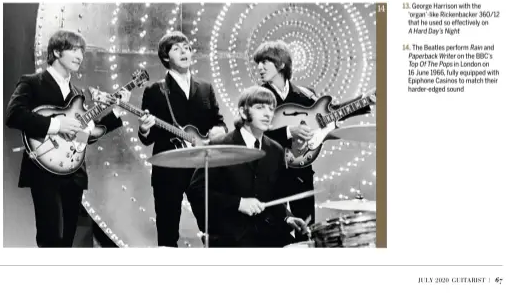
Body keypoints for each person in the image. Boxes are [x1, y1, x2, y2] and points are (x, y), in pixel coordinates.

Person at [5, 29, 125, 247]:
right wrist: (57, 125)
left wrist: (115, 112)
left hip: (73, 172)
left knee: (67, 240)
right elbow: (13, 115)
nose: (80, 55)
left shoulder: (77, 93)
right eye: (74, 49)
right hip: (43, 168)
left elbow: (84, 136)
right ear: (57, 52)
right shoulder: (33, 82)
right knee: (50, 238)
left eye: (82, 51)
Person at [255, 39, 371, 226]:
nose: (259, 67)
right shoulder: (257, 95)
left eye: (264, 62)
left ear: (281, 64)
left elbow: (331, 112)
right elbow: (253, 134)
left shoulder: (305, 94)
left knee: (307, 230)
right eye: (258, 63)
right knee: (273, 234)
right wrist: (288, 131)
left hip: (301, 173)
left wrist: (365, 101)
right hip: (269, 174)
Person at [188, 85, 307, 247]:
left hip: (267, 235)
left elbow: (275, 198)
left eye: (271, 109)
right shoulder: (220, 146)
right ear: (243, 112)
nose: (268, 114)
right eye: (260, 107)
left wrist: (287, 217)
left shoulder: (275, 150)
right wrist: (238, 203)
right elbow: (197, 191)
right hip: (230, 239)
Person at [137, 31, 227, 246]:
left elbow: (219, 121)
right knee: (168, 235)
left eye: (186, 47)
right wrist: (144, 129)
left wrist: (219, 129)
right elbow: (148, 140)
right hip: (169, 171)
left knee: (214, 229)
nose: (184, 51)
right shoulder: (155, 90)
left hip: (201, 169)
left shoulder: (205, 88)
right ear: (166, 57)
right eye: (177, 49)